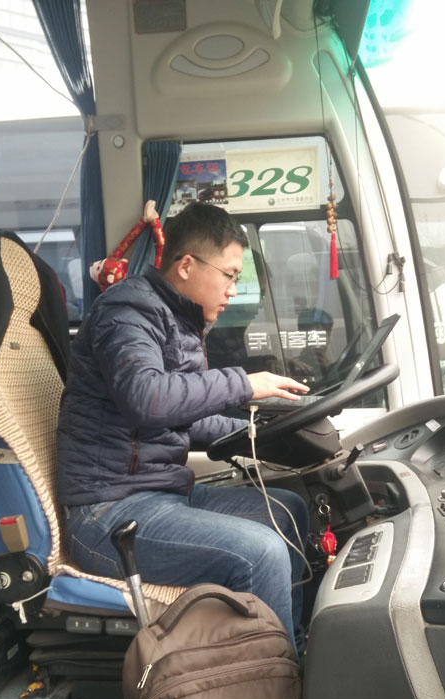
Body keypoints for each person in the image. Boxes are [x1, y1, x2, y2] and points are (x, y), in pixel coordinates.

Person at [56, 202, 310, 648]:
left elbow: (183, 418)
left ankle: (295, 646)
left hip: (160, 494)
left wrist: (258, 432)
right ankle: (280, 679)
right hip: (109, 514)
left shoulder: (178, 319)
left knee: (289, 509)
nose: (234, 290)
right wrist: (243, 384)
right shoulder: (128, 310)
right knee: (262, 552)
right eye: (230, 275)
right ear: (187, 265)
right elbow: (147, 398)